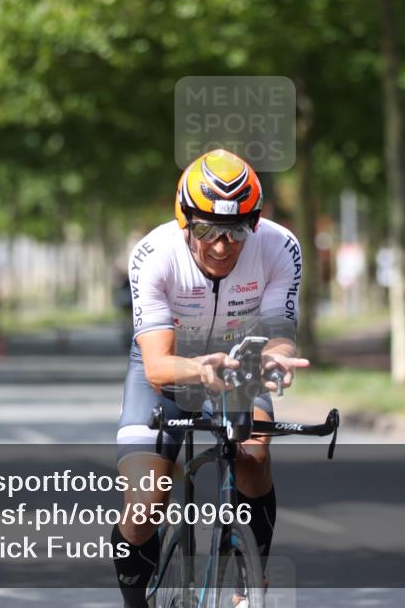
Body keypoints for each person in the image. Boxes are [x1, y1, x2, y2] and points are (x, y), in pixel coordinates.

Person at [113, 149, 308, 608]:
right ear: (185, 221)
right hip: (167, 367)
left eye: (236, 230)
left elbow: (280, 335)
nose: (222, 245)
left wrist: (274, 361)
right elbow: (158, 365)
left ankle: (249, 580)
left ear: (254, 223)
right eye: (206, 230)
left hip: (240, 361)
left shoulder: (281, 247)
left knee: (255, 457)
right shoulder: (153, 255)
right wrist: (199, 369)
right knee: (143, 506)